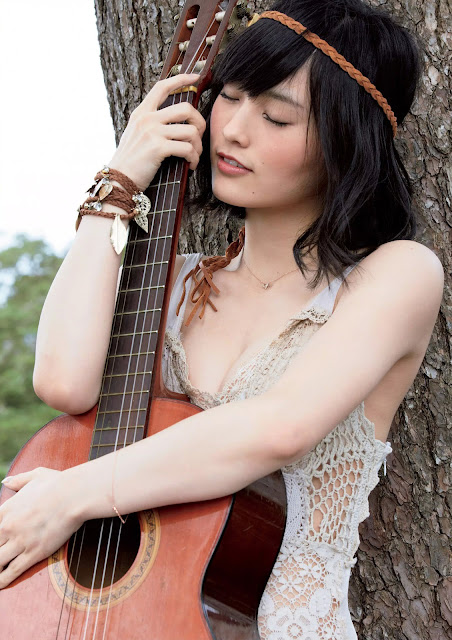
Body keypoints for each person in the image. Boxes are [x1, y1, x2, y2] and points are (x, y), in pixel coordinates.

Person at [0, 0, 444, 637]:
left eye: (275, 117)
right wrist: (119, 183)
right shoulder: (172, 282)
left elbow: (279, 427)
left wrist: (71, 496)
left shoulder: (396, 276)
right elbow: (63, 382)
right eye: (229, 98)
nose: (232, 129)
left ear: (346, 140)